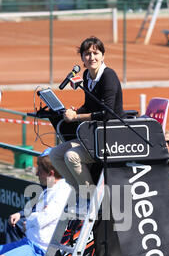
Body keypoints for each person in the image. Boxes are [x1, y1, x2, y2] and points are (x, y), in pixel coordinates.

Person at [49, 36, 125, 205]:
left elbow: (107, 113)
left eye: (95, 53)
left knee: (71, 156)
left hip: (110, 137)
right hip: (93, 135)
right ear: (82, 58)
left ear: (103, 55)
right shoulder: (86, 75)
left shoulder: (108, 76)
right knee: (55, 154)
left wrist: (76, 117)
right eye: (87, 54)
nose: (92, 57)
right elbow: (89, 106)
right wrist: (73, 111)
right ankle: (81, 192)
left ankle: (91, 198)